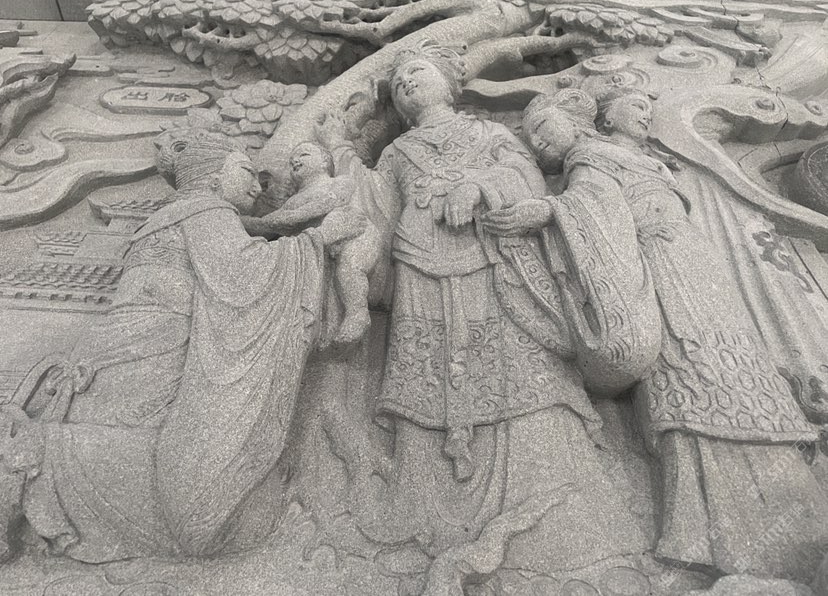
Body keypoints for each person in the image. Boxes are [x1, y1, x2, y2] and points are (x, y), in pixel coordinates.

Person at [318, 44, 661, 581]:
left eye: (418, 71)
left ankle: (552, 506)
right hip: (420, 267)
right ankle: (426, 517)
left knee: (521, 368)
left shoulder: (488, 132)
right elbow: (376, 205)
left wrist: (480, 185)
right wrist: (339, 148)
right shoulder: (396, 153)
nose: (407, 82)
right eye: (399, 81)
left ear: (448, 83)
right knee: (427, 376)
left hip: (494, 259)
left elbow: (525, 177)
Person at [495, 85, 828, 580]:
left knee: (732, 368)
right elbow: (592, 202)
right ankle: (728, 532)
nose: (540, 142)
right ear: (606, 119)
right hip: (661, 262)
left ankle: (784, 509)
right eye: (534, 135)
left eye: (544, 127)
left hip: (687, 259)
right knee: (693, 371)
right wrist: (550, 209)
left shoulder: (624, 155)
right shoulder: (589, 158)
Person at [0, 124, 362, 563]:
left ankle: (41, 461)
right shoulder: (206, 212)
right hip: (156, 347)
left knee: (125, 440)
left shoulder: (161, 219)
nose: (256, 185)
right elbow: (243, 274)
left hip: (107, 353)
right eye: (245, 171)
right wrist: (318, 239)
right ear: (213, 177)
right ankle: (40, 460)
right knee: (163, 461)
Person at [247, 141, 380, 344]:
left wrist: (289, 219)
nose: (295, 160)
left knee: (350, 268)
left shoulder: (340, 182)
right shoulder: (292, 202)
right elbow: (267, 225)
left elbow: (331, 202)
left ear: (324, 161)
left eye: (304, 155)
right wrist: (239, 220)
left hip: (357, 234)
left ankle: (357, 313)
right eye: (292, 160)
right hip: (323, 246)